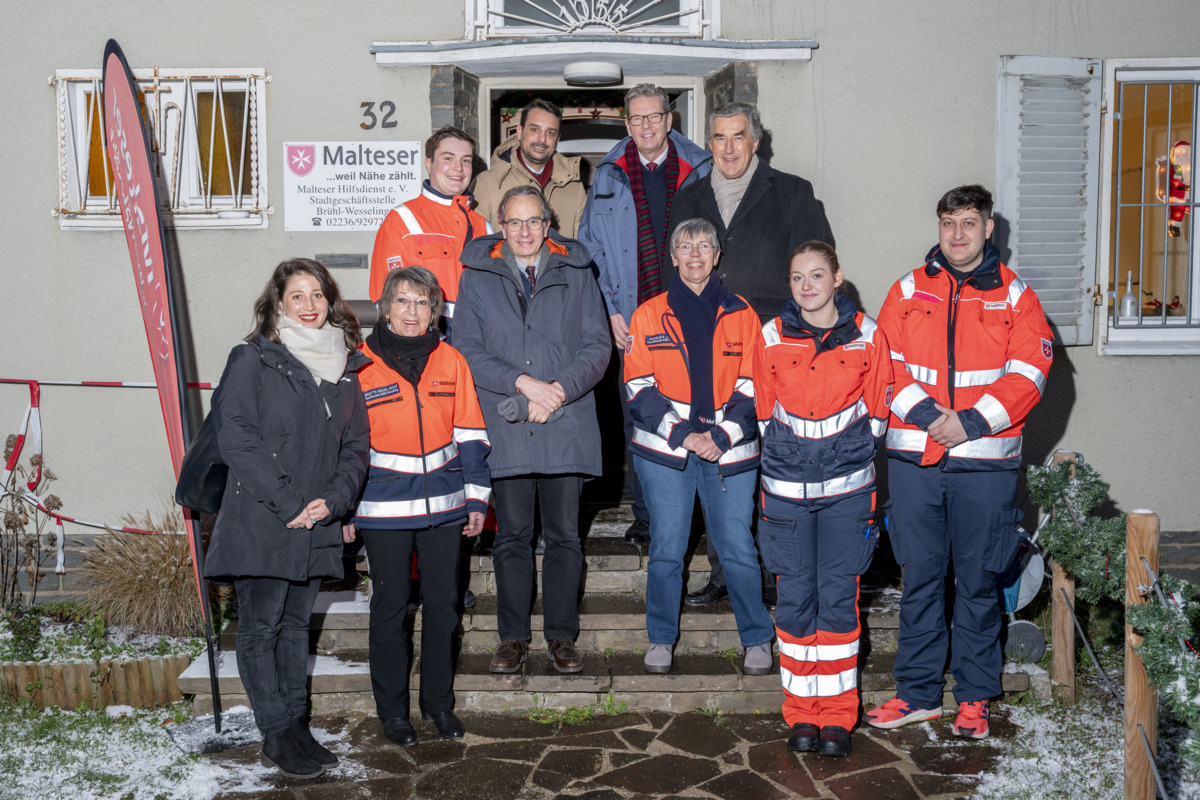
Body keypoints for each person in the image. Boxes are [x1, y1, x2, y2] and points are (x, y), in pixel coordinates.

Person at [866, 185, 1053, 740]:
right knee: (920, 580)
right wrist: (929, 417)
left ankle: (974, 697)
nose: (957, 233)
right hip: (916, 462)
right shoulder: (905, 290)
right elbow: (885, 367)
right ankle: (918, 694)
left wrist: (969, 422)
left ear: (989, 228)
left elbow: (1030, 374)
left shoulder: (1016, 297)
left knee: (977, 582)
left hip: (984, 466)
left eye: (968, 222)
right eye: (948, 222)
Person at [204, 258, 369, 780]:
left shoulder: (343, 369)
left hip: (316, 520)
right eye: (297, 295)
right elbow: (237, 438)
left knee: (297, 628)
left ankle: (296, 725)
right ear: (278, 304)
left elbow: (356, 448)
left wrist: (334, 500)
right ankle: (275, 733)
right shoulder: (253, 359)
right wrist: (289, 503)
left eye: (318, 294)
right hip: (263, 519)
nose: (310, 305)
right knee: (260, 629)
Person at [669, 101, 833, 609]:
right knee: (723, 460)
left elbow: (814, 269)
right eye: (719, 138)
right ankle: (728, 573)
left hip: (774, 348)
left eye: (738, 137)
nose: (729, 148)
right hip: (708, 350)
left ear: (756, 141)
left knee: (776, 462)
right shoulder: (690, 196)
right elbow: (674, 268)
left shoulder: (791, 192)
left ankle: (780, 575)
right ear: (709, 143)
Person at [455, 185, 610, 675]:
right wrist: (525, 386)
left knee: (565, 537)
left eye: (534, 222)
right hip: (507, 422)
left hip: (564, 422)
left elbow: (598, 346)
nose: (525, 231)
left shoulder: (576, 273)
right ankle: (513, 638)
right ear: (501, 226)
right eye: (515, 222)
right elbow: (468, 350)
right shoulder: (476, 278)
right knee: (513, 537)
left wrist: (557, 391)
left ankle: (562, 636)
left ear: (548, 226)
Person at [754, 242, 894, 758]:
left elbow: (878, 410)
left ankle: (837, 715)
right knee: (794, 602)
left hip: (847, 497)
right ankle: (801, 714)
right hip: (786, 498)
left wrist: (843, 455)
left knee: (838, 600)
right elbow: (766, 412)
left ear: (838, 278)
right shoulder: (769, 337)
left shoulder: (868, 335)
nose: (807, 285)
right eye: (797, 277)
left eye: (817, 275)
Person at [624, 216, 774, 676]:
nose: (695, 254)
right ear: (673, 257)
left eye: (704, 246)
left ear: (717, 255)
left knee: (738, 548)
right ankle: (661, 639)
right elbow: (637, 386)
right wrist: (683, 434)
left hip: (730, 452)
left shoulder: (743, 314)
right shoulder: (647, 314)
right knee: (668, 547)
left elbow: (756, 386)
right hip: (666, 452)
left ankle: (756, 638)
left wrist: (721, 435)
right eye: (685, 247)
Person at [348, 266, 491, 747]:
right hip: (382, 512)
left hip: (445, 509)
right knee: (390, 610)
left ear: (435, 311)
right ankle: (393, 713)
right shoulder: (358, 365)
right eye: (403, 301)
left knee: (445, 610)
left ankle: (438, 706)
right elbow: (345, 447)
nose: (412, 312)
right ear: (385, 307)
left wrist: (476, 496)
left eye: (422, 302)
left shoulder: (452, 361)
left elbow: (471, 433)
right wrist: (345, 511)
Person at [578, 83, 712, 546]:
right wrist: (609, 310)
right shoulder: (610, 174)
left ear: (669, 120)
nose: (645, 126)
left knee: (695, 410)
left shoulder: (700, 168)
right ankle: (646, 516)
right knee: (640, 417)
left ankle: (694, 514)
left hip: (691, 313)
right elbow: (590, 247)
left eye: (653, 117)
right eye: (635, 119)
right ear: (627, 123)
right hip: (633, 320)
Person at [369, 125, 493, 340]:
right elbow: (385, 294)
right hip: (426, 334)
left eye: (466, 160)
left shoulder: (484, 225)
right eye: (448, 158)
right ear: (429, 164)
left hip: (477, 336)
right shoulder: (401, 219)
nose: (458, 168)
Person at [473, 99, 587, 238]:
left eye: (550, 133)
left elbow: (580, 251)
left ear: (557, 140)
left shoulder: (574, 188)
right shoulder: (486, 183)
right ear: (519, 132)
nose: (542, 139)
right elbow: (477, 247)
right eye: (534, 129)